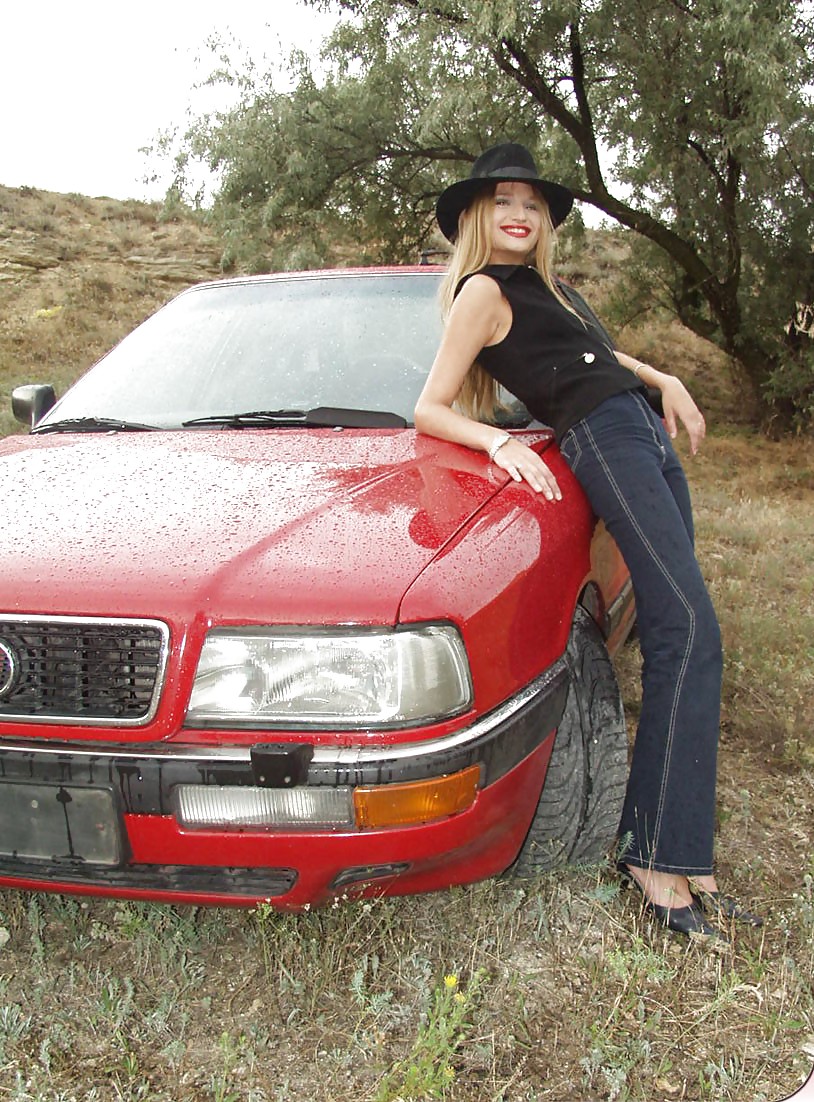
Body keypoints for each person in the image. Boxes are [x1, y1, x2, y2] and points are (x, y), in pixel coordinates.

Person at [414, 142, 762, 939]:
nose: (520, 213)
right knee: (687, 629)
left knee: (687, 624)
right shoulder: (482, 291)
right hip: (602, 435)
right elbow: (429, 406)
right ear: (476, 215)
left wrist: (663, 379)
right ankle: (654, 856)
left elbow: (600, 358)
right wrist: (497, 442)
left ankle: (677, 851)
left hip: (641, 428)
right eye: (503, 200)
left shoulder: (549, 288)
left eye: (533, 204)